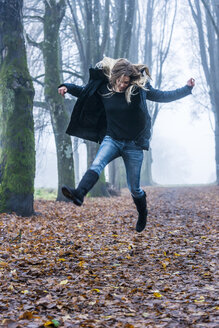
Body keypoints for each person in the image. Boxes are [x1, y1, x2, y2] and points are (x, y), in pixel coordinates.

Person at [58, 57, 195, 233]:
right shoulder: (103, 89)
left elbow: (162, 96)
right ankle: (79, 194)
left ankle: (142, 212)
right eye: (121, 81)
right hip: (112, 139)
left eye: (126, 82)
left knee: (134, 188)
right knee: (97, 164)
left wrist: (187, 89)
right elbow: (84, 91)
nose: (123, 85)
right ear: (114, 77)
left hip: (134, 145)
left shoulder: (138, 90)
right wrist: (67, 87)